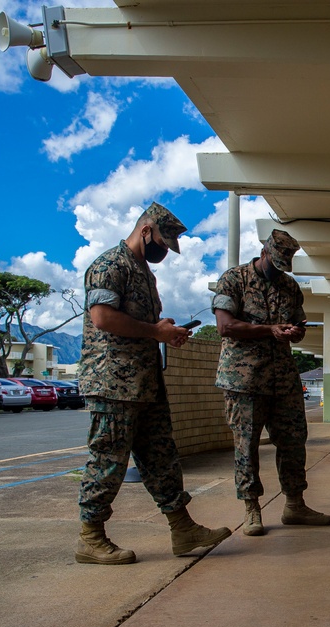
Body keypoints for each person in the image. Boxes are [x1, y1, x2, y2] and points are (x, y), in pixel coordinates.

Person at [76, 202, 232, 565]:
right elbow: (102, 317)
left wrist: (166, 333)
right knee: (108, 461)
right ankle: (90, 536)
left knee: (162, 457)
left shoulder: (144, 273)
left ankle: (183, 528)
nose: (164, 252)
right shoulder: (109, 265)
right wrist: (154, 331)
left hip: (145, 382)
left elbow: (144, 327)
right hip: (113, 383)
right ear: (146, 230)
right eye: (163, 242)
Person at [212, 229, 330, 537]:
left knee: (293, 440)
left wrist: (295, 332)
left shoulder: (289, 286)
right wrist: (269, 330)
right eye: (276, 262)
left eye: (285, 264)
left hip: (283, 378)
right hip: (244, 380)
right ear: (264, 252)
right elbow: (225, 326)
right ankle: (251, 508)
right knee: (247, 445)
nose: (279, 269)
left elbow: (299, 322)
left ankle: (295, 504)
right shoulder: (234, 279)